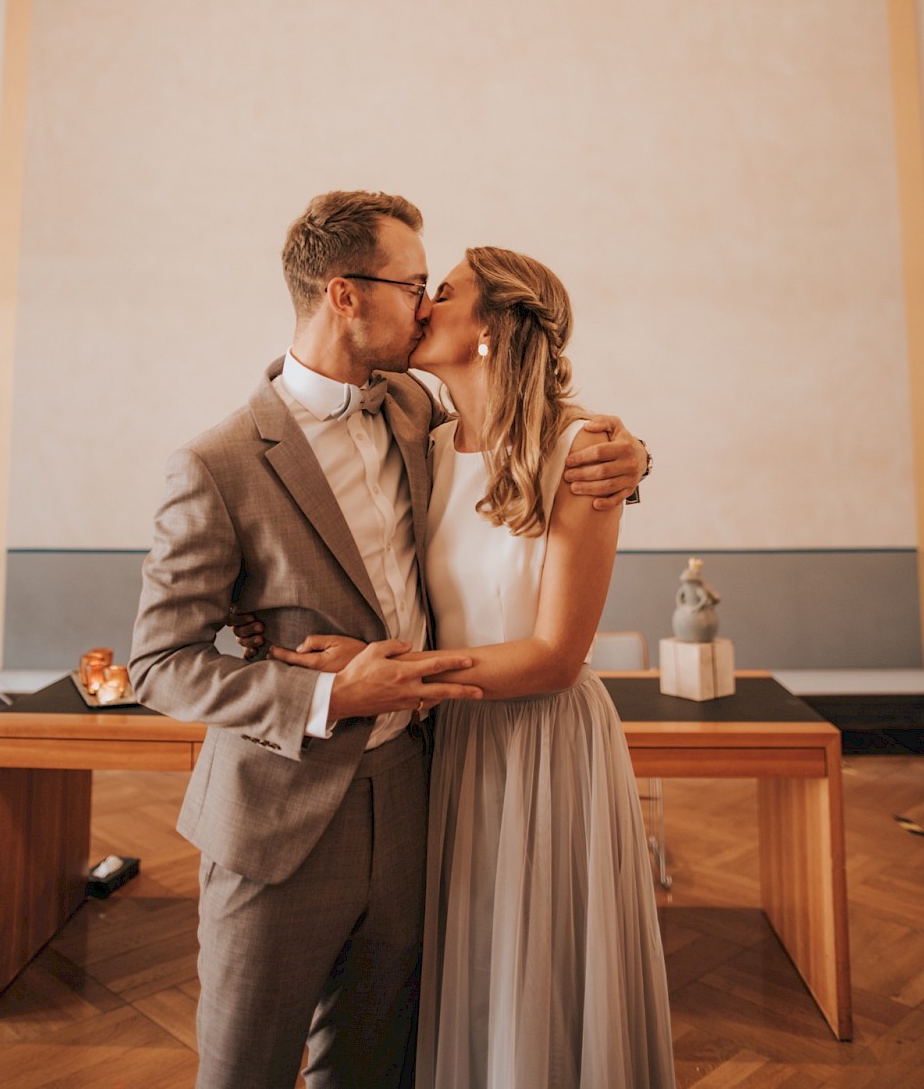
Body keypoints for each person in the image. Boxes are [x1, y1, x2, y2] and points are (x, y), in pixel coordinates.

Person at [129, 191, 648, 1089]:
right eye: (414, 283)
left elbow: (536, 447)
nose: (422, 302)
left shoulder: (417, 413)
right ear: (344, 293)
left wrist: (633, 456)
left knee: (377, 1065)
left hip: (420, 793)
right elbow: (157, 663)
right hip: (279, 812)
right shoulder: (217, 462)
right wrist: (324, 693)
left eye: (434, 287)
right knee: (243, 1067)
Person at [264, 245, 675, 1088]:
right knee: (472, 969)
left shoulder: (581, 448)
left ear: (488, 325)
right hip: (449, 745)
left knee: (543, 966)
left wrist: (393, 671)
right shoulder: (425, 435)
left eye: (441, 294)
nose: (420, 306)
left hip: (544, 745)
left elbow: (556, 657)